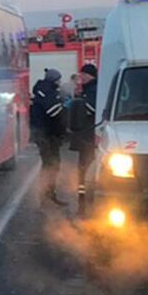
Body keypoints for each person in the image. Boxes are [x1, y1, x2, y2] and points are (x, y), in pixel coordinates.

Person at [30, 67, 67, 204]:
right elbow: (53, 111)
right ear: (54, 80)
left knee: (52, 164)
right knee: (50, 164)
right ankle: (45, 195)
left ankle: (49, 193)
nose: (60, 82)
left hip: (48, 133)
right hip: (45, 133)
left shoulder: (46, 90)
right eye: (59, 80)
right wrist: (65, 109)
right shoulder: (47, 91)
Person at [66, 63, 100, 203]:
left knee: (86, 167)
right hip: (87, 135)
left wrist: (78, 103)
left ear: (89, 75)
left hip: (89, 136)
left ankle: (85, 201)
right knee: (84, 167)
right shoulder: (89, 89)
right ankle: (83, 198)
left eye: (83, 75)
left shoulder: (93, 90)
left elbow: (89, 109)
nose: (81, 78)